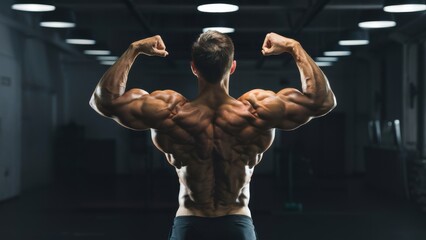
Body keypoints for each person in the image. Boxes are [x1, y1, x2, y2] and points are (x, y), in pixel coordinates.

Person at [89, 31, 336, 240]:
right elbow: (323, 101)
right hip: (237, 222)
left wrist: (134, 49)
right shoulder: (257, 111)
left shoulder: (171, 112)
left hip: (190, 223)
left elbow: (103, 101)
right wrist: (294, 47)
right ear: (233, 67)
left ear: (194, 67)